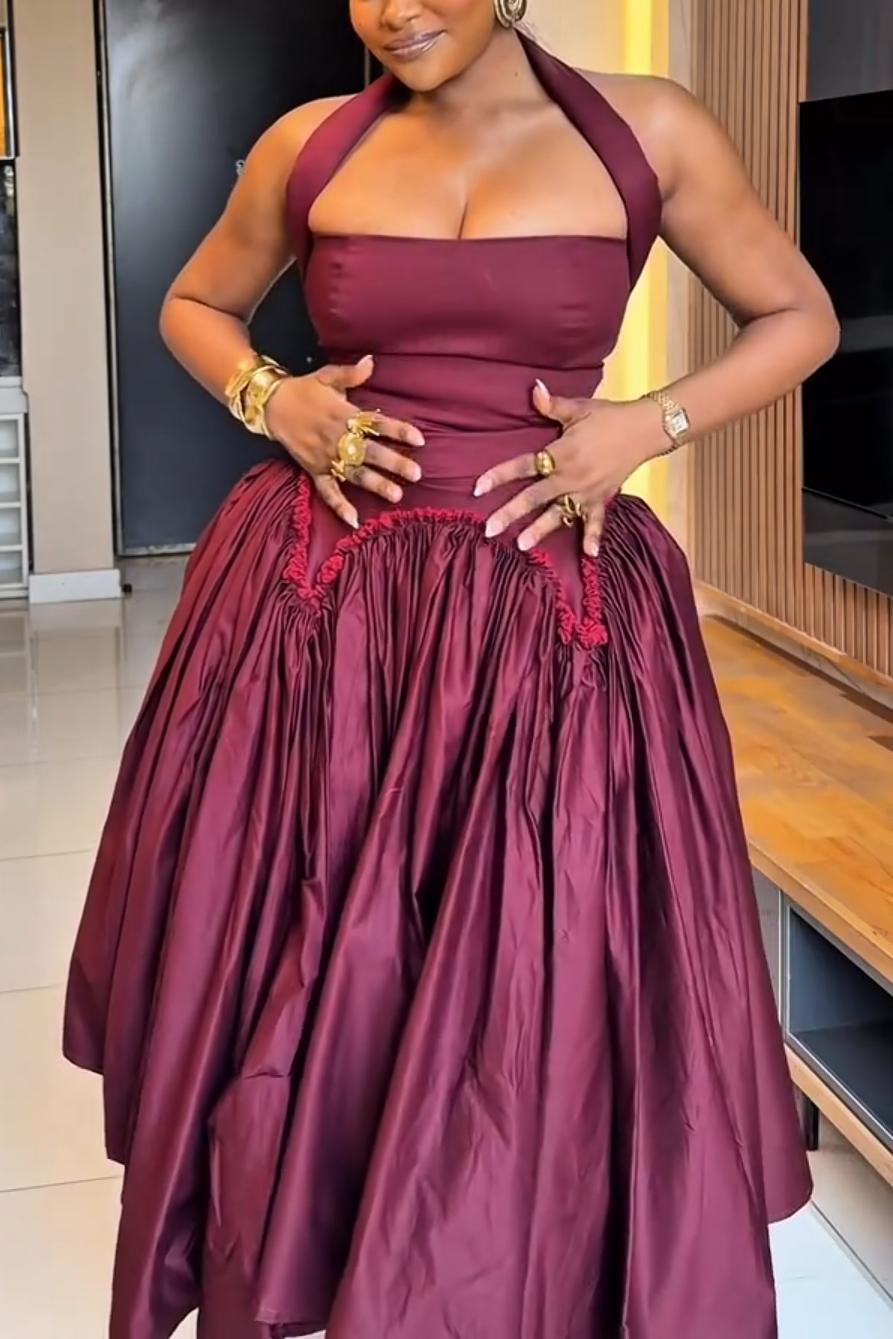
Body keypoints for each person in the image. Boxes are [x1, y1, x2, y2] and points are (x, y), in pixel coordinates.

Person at [63, 3, 840, 1337]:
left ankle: (491, 1257)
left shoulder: (650, 129)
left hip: (547, 611)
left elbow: (800, 315)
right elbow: (196, 303)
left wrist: (645, 425)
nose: (397, 6)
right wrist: (272, 396)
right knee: (318, 936)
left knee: (532, 946)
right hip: (325, 614)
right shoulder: (309, 143)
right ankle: (315, 1236)